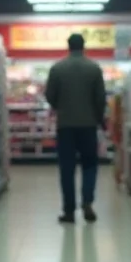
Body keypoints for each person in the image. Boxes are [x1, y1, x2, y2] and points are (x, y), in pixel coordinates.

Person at [45, 32, 106, 223]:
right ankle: (87, 203)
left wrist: (60, 107)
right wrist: (99, 118)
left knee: (67, 169)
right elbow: (100, 98)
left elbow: (49, 95)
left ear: (68, 46)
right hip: (88, 125)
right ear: (83, 46)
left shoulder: (57, 69)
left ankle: (69, 211)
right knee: (89, 165)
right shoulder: (94, 69)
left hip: (65, 126)